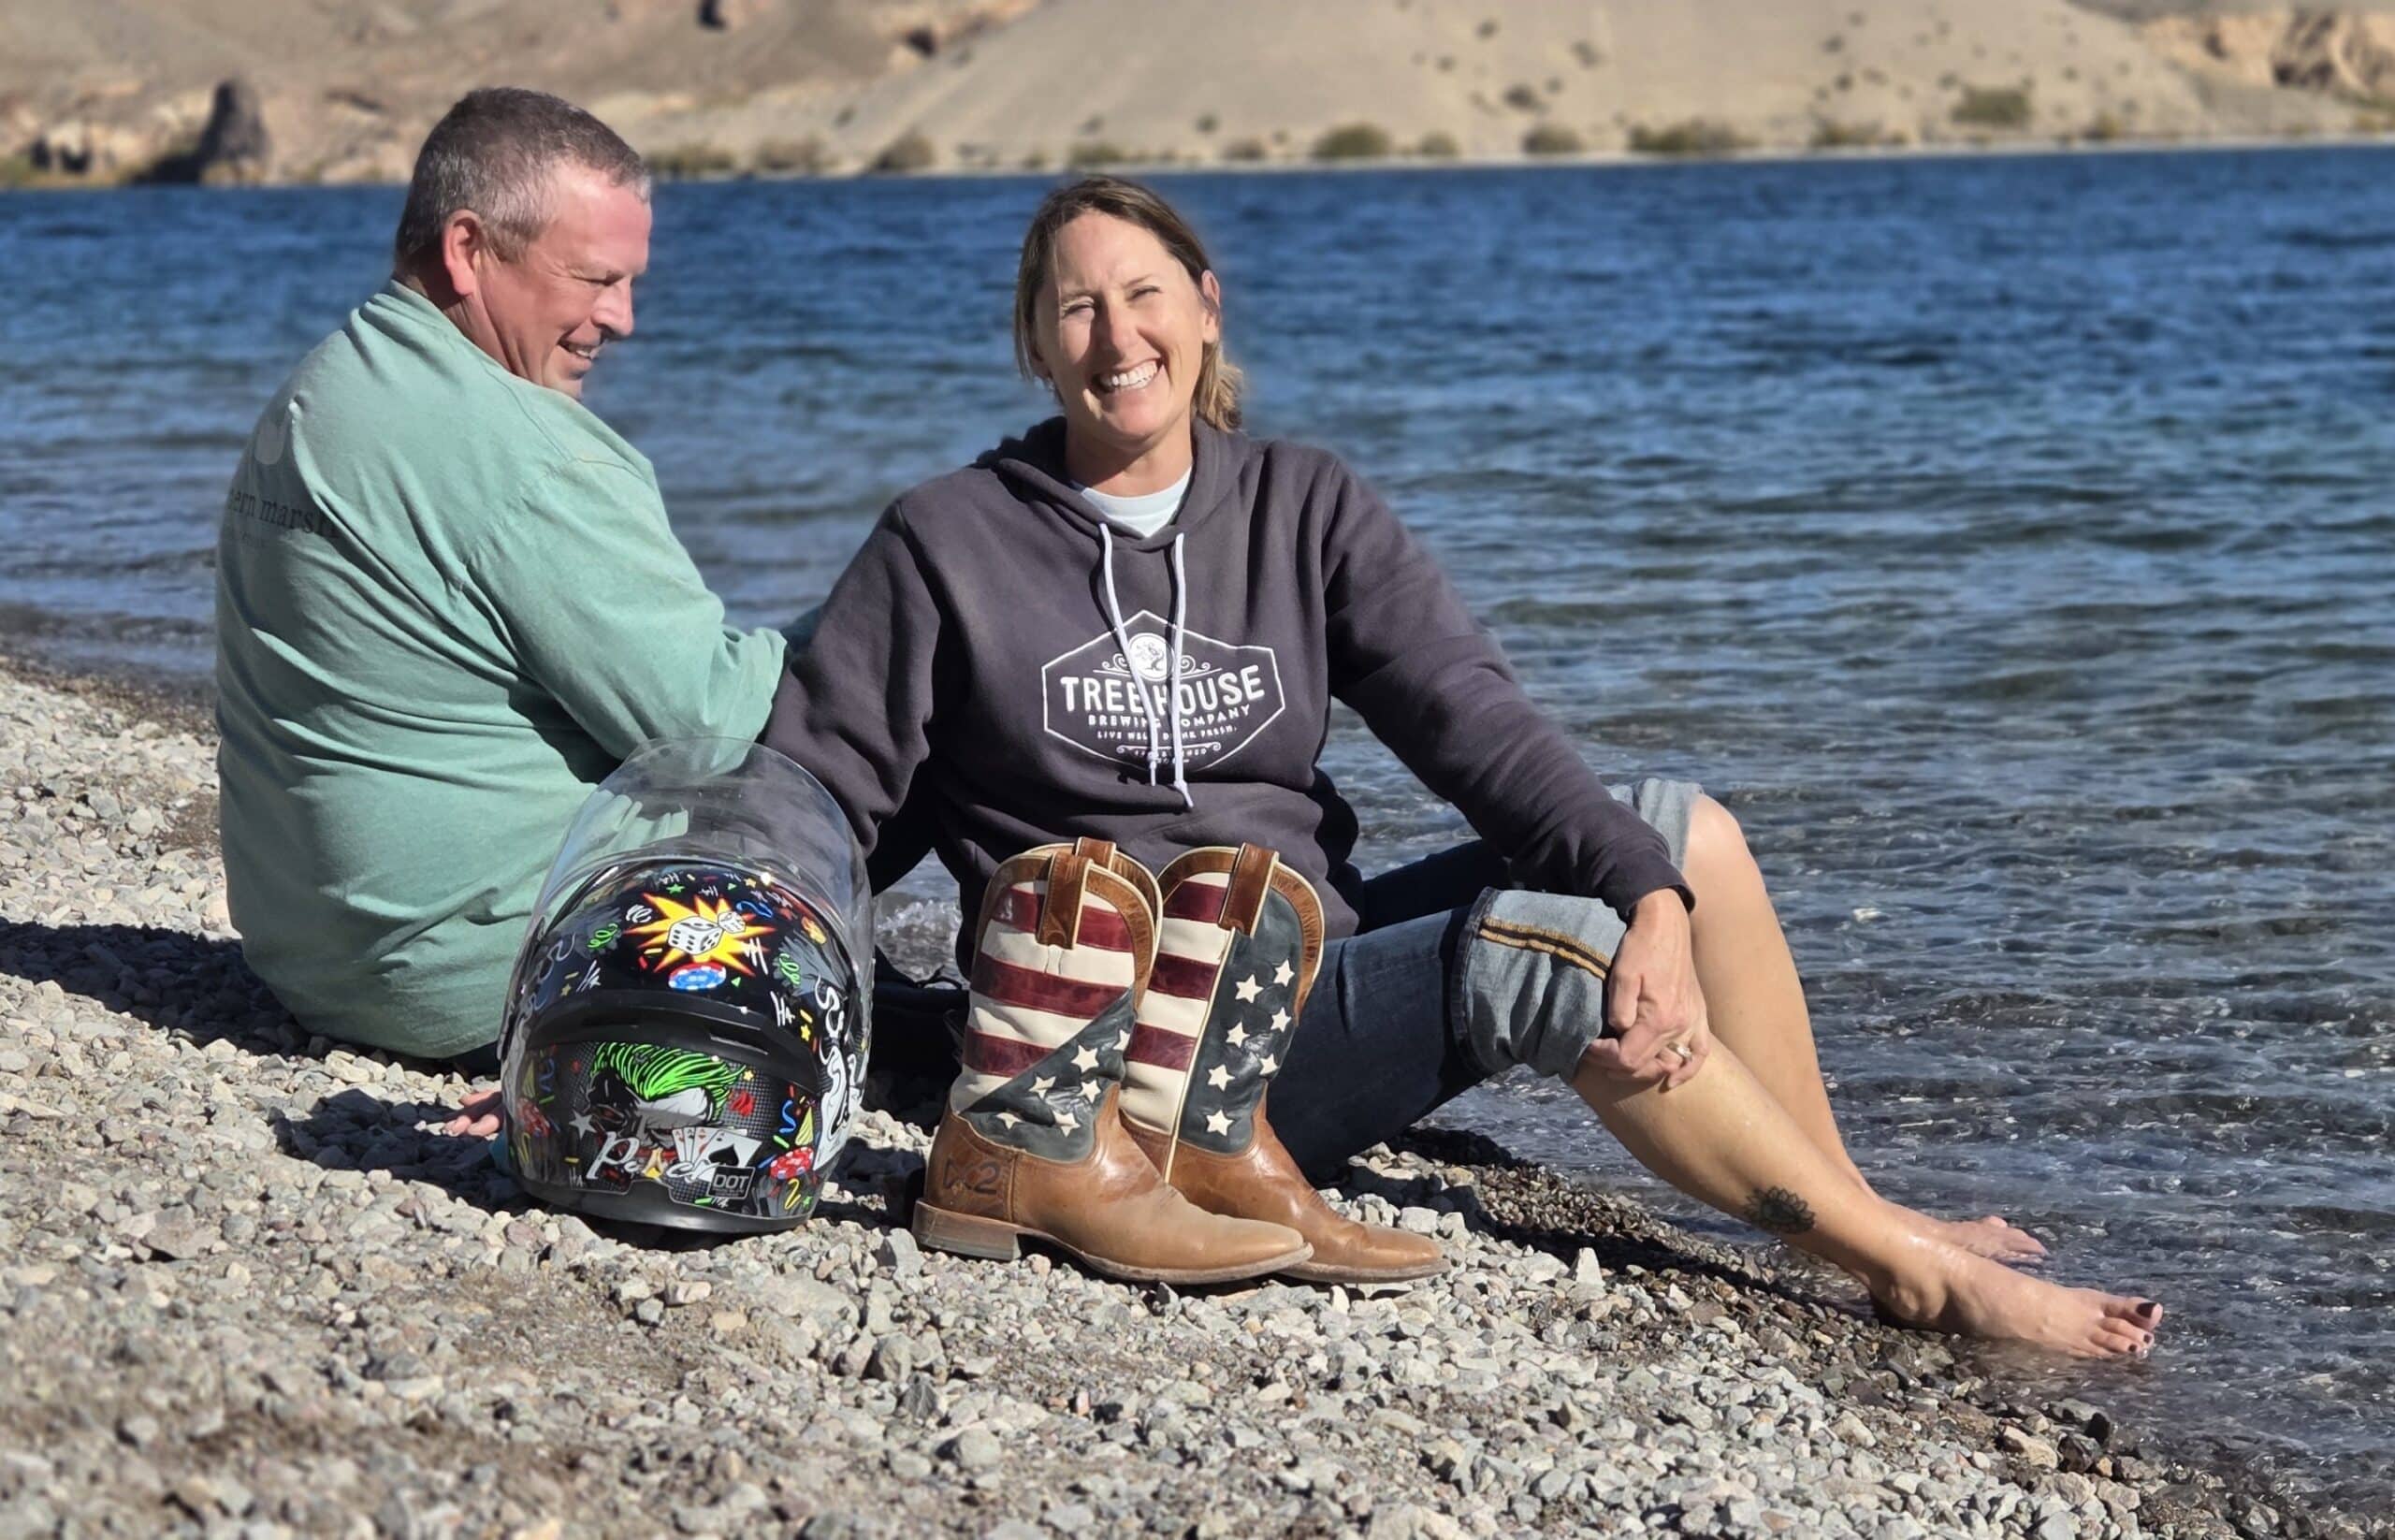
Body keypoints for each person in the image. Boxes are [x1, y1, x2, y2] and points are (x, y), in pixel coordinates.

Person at [762, 176, 2164, 1356]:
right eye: (1075, 305)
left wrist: (1653, 893)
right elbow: (825, 790)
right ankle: (1916, 1274)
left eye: (1144, 295)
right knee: (1537, 955)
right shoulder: (947, 540)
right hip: (1145, 1059)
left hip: (1305, 962)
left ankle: (1858, 1211)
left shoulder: (1303, 504)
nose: (1116, 335)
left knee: (1687, 831)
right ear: (1033, 341)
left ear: (1205, 307)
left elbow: (1474, 725)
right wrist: (750, 994)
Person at [215, 89, 787, 1064]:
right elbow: (704, 731)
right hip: (479, 978)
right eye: (596, 279)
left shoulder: (325, 388)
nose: (624, 318)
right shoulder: (535, 457)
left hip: (307, 954)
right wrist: (868, 620)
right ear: (468, 249)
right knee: (900, 657)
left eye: (630, 282)